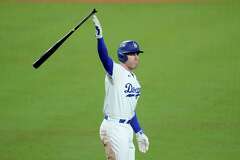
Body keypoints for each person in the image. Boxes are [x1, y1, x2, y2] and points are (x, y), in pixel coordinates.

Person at [92, 15, 149, 160]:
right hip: (113, 128)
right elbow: (104, 58)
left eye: (137, 53)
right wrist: (100, 37)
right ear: (123, 56)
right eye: (132, 54)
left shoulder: (135, 80)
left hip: (126, 129)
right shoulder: (115, 72)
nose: (136, 57)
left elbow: (130, 111)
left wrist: (139, 132)